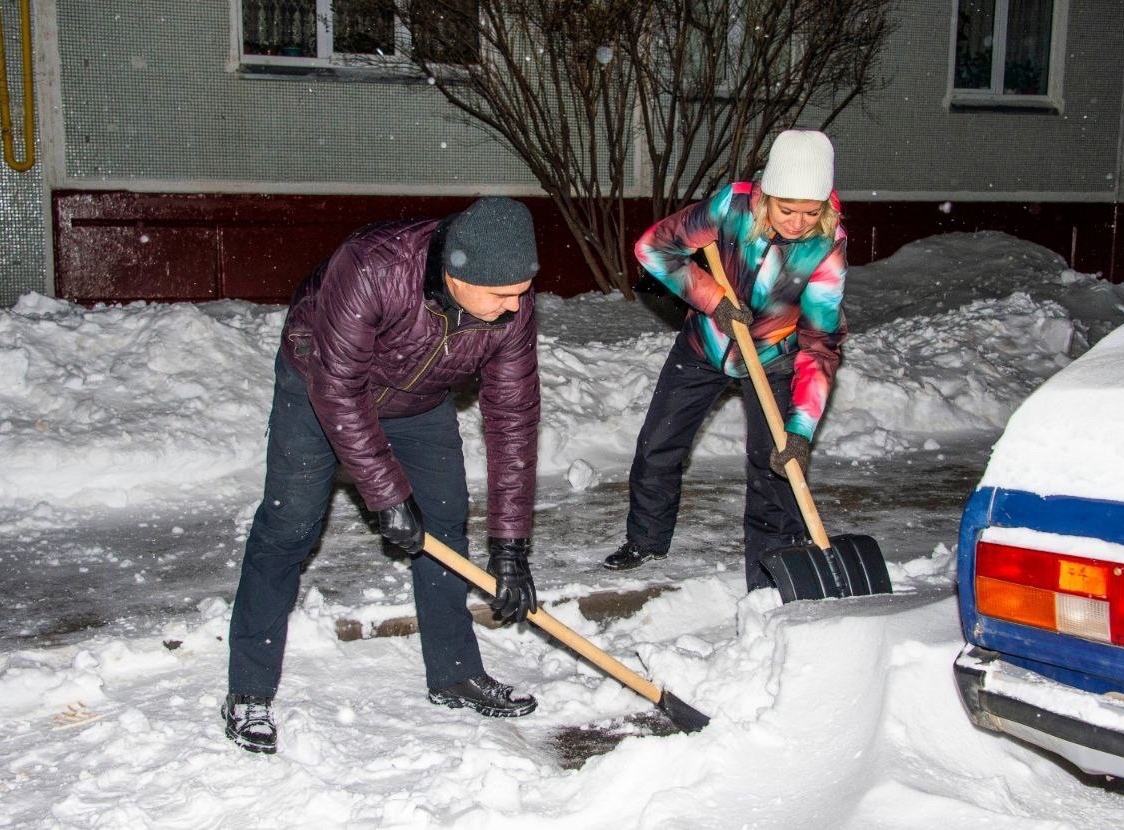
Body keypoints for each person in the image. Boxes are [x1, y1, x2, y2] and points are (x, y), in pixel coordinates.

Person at [223, 197, 543, 755]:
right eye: (500, 296)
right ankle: (248, 691)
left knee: (444, 523)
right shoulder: (374, 266)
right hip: (319, 382)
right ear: (455, 272)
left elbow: (513, 415)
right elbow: (340, 390)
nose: (515, 307)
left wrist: (510, 545)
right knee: (289, 527)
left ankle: (454, 673)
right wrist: (385, 493)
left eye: (520, 292)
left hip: (419, 398)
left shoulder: (510, 294)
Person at [604, 130, 848, 592]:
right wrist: (711, 297)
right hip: (706, 346)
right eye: (787, 210)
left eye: (810, 212)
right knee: (659, 443)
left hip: (777, 355)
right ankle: (647, 541)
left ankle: (771, 576)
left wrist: (799, 430)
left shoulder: (827, 246)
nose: (797, 223)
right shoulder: (732, 207)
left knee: (774, 467)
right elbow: (654, 247)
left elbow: (819, 342)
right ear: (765, 196)